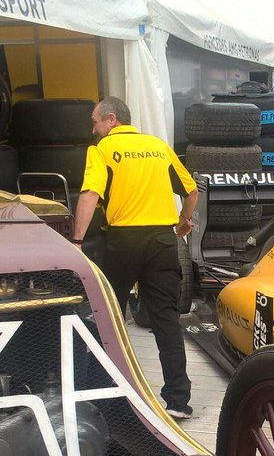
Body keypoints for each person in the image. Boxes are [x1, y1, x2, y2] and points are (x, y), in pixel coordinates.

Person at [73, 97, 196, 419]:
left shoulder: (100, 151)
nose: (93, 129)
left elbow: (90, 195)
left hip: (123, 241)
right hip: (162, 240)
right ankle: (178, 400)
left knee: (109, 317)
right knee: (166, 321)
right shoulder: (158, 146)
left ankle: (104, 397)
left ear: (111, 119)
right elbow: (192, 189)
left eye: (95, 121)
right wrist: (184, 220)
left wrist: (76, 241)